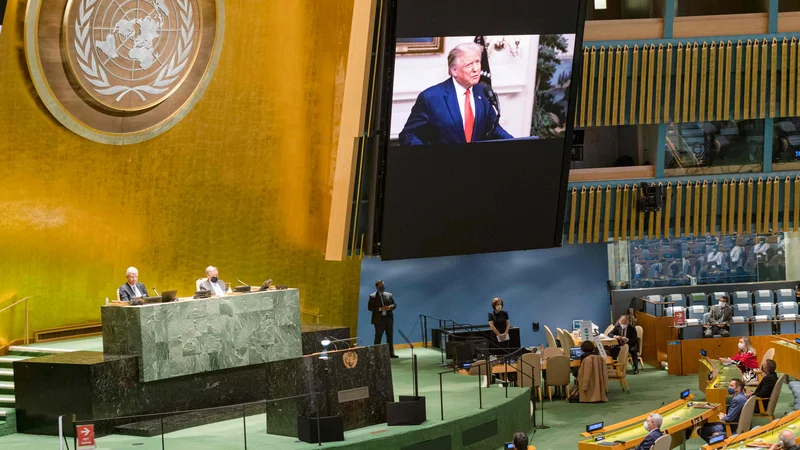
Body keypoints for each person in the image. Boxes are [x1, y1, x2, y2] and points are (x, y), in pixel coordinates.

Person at [398, 42, 514, 146]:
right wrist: (429, 157)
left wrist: (516, 144)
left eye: (477, 62)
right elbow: (408, 135)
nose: (476, 69)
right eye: (469, 65)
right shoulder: (431, 97)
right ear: (454, 70)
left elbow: (493, 128)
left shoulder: (483, 92)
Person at [368, 280, 398, 358]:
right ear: (377, 287)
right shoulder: (372, 296)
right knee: (378, 337)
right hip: (379, 320)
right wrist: (380, 309)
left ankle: (391, 353)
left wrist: (390, 307)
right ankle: (376, 354)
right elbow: (370, 307)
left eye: (383, 285)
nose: (383, 287)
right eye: (381, 286)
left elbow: (394, 304)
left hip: (388, 319)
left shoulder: (389, 295)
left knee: (390, 337)